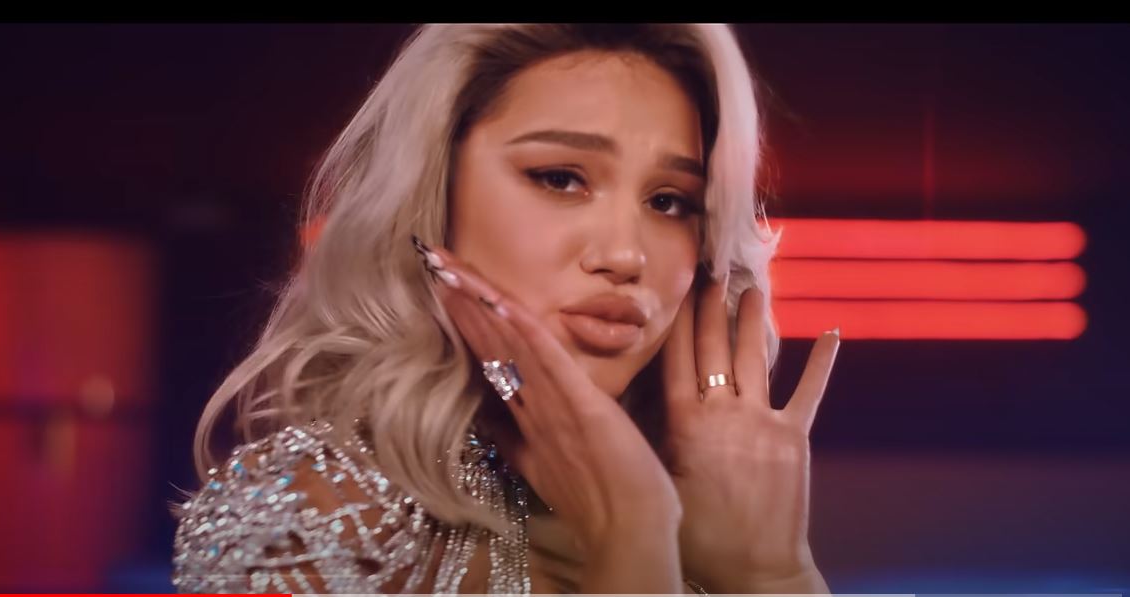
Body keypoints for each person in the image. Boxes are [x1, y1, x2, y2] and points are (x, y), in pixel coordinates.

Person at [171, 23, 841, 594]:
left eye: (669, 201)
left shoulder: (725, 529)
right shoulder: (316, 517)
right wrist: (631, 535)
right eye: (560, 178)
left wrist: (774, 575)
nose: (625, 255)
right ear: (434, 192)